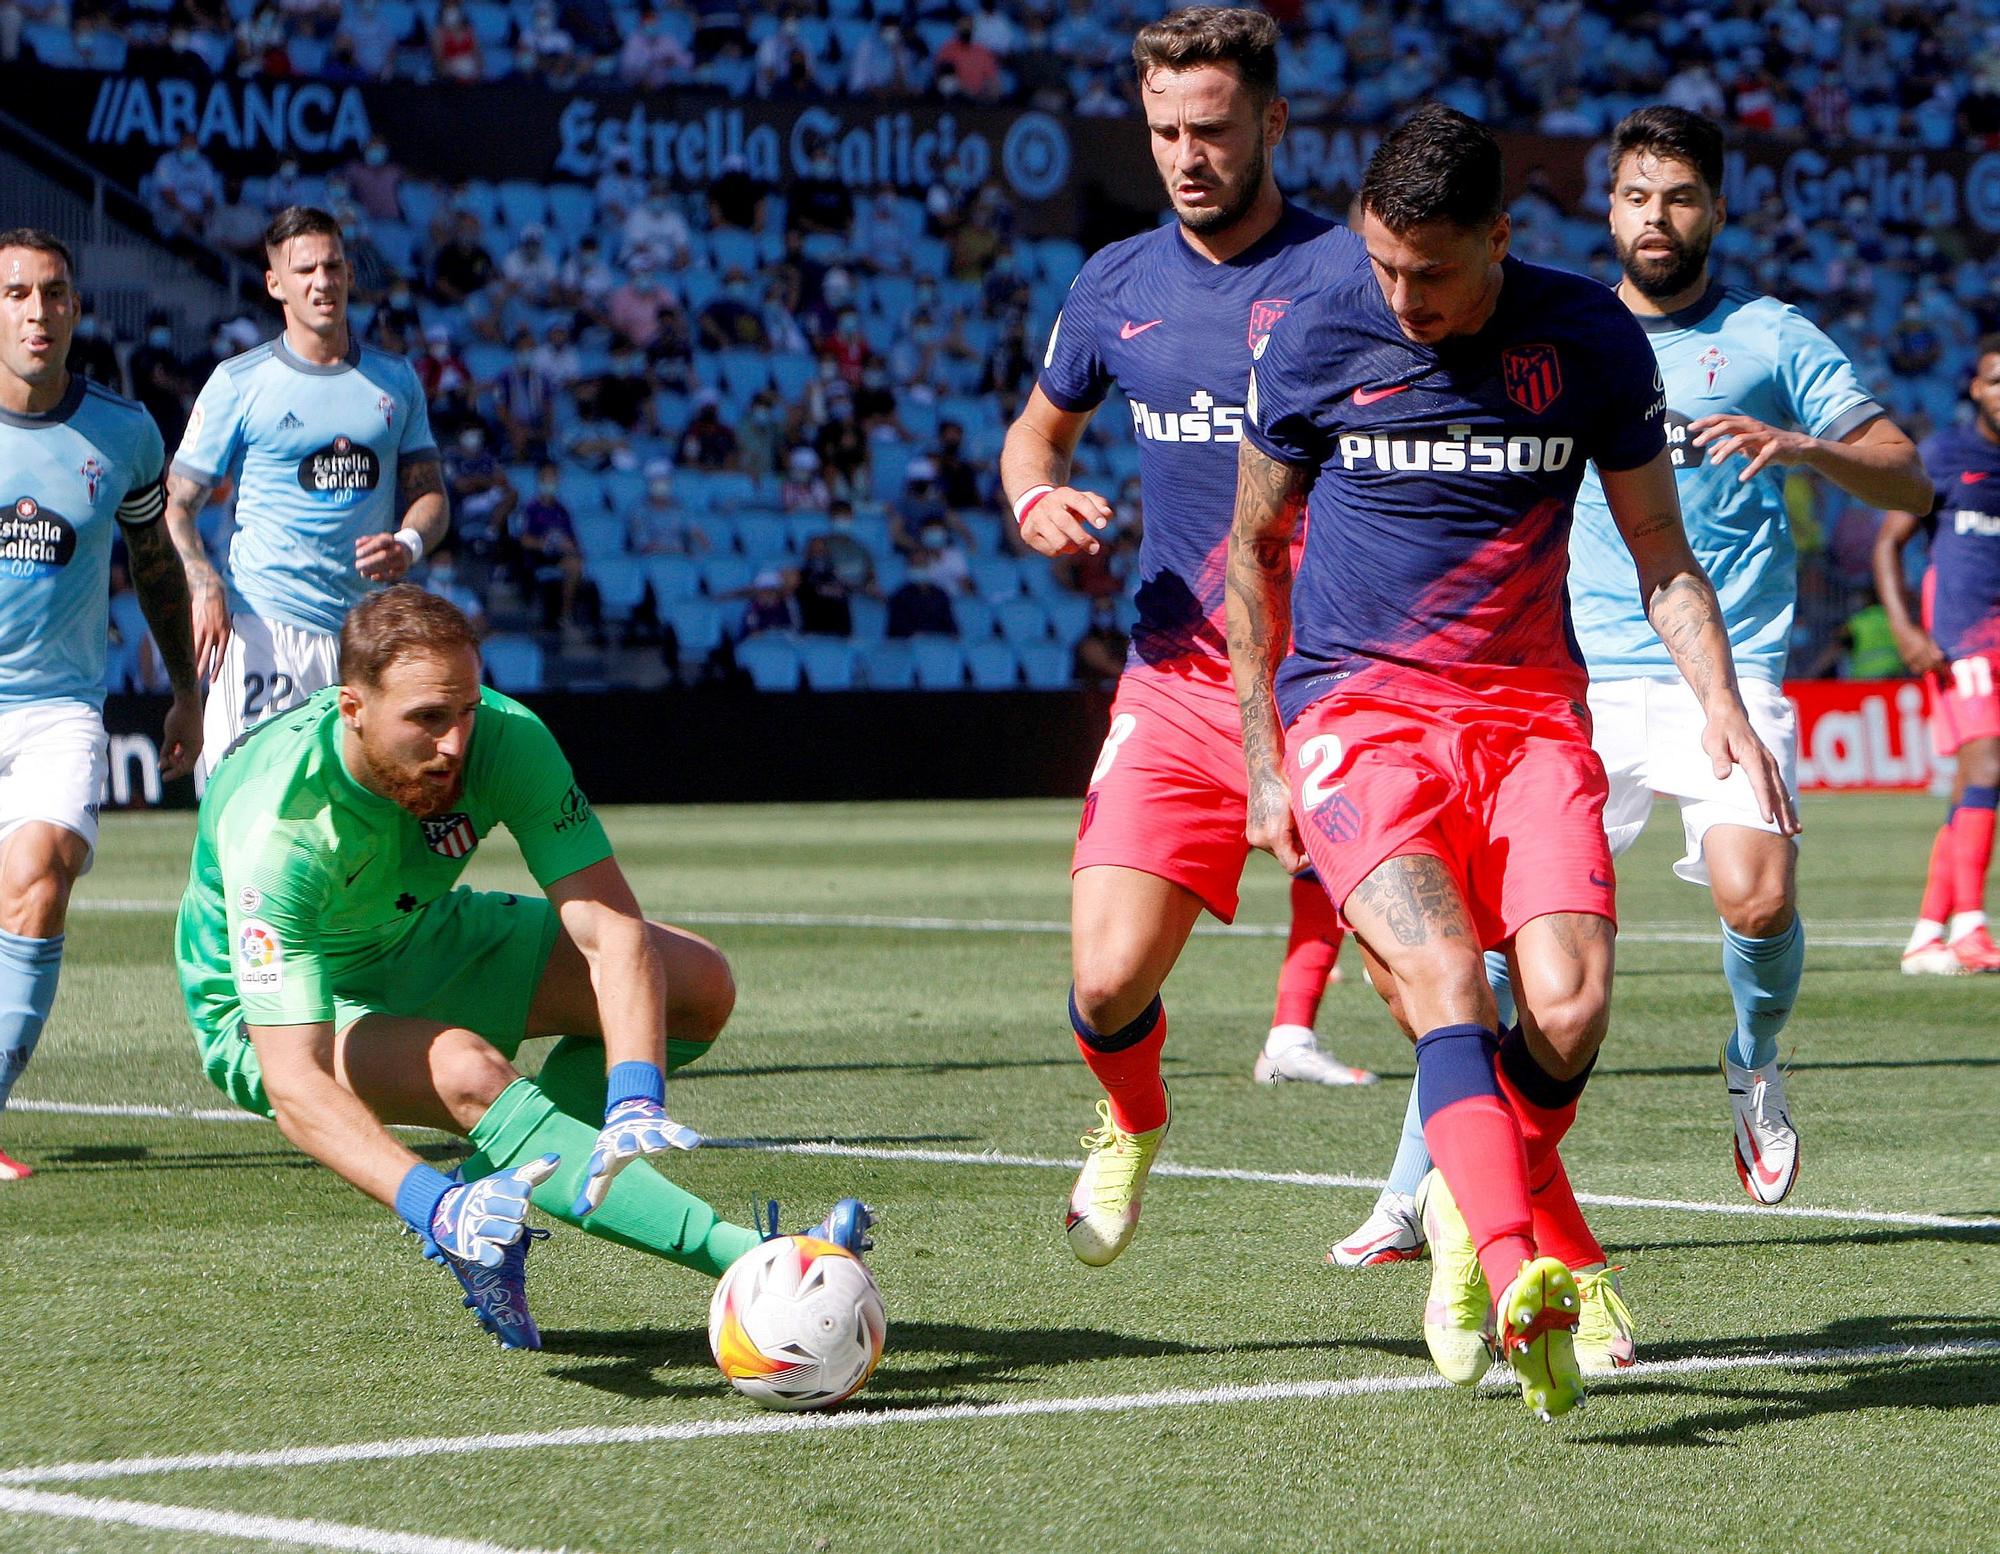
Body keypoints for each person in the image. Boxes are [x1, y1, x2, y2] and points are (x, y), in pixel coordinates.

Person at [1226, 105, 1795, 1419]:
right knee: (1443, 984)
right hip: (1361, 711)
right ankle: (1506, 1260)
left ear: (1500, 236)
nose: (1402, 296)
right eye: (1384, 265)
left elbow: (1661, 549)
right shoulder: (1314, 329)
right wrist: (1264, 756)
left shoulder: (1586, 338)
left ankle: (1464, 1194)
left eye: (1432, 270)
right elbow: (1253, 555)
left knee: (1573, 1003)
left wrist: (1721, 705)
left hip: (1533, 714)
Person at [1334, 105, 1930, 1268]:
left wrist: (1801, 445)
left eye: (1680, 198)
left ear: (1716, 209)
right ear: (1605, 208)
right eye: (1635, 196)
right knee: (1486, 951)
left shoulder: (1770, 337)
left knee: (1754, 898)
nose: (1656, 219)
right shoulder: (1553, 327)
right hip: (1570, 676)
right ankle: (1409, 1192)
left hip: (1727, 664)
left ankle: (1753, 1061)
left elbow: (1905, 481)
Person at [174, 586, 870, 1345]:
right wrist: (428, 1204)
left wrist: (632, 1094)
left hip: (416, 929)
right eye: (427, 720)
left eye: (466, 708)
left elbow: (611, 931)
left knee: (697, 987)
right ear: (352, 709)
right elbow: (295, 1082)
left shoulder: (505, 736)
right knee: (472, 1072)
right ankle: (757, 1264)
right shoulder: (280, 831)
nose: (455, 743)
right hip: (267, 1009)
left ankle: (490, 1185)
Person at [998, 5, 1375, 1271]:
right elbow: (1033, 437)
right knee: (1104, 987)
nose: (1182, 156)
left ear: (1271, 122)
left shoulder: (1355, 275)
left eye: (1208, 129)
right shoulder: (1113, 283)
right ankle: (1131, 1117)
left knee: (1423, 990)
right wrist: (1034, 500)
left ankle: (1486, 1224)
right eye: (1161, 131)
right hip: (1176, 682)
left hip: (1337, 691)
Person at [0, 229, 202, 1179]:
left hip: (56, 704)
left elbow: (155, 569)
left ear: (78, 308)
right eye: (16, 295)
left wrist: (187, 692)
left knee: (43, 877)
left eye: (54, 294)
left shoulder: (123, 435)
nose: (37, 313)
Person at [164, 208, 449, 781]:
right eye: (305, 270)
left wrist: (409, 543)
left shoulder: (395, 381)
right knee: (249, 808)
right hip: (264, 626)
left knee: (353, 828)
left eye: (333, 265)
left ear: (348, 273)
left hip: (363, 636)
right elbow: (175, 505)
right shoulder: (239, 382)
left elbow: (432, 497)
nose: (322, 281)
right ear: (276, 285)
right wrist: (203, 580)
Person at [1875, 338, 2000, 974]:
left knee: (1974, 785)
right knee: (1987, 767)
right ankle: (1972, 928)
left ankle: (1928, 934)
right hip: (1962, 642)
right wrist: (1905, 630)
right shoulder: (1947, 457)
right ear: (1975, 389)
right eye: (1996, 381)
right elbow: (1888, 544)